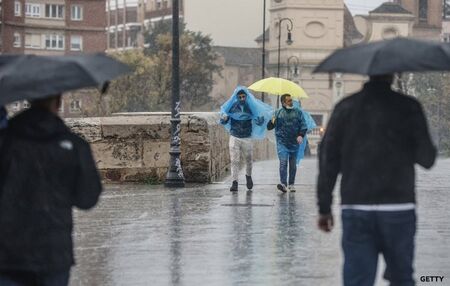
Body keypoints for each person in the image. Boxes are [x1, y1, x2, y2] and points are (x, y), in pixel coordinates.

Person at [317, 75, 436, 286]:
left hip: (356, 207)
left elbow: (328, 159)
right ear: (393, 75)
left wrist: (324, 207)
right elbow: (427, 158)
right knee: (402, 278)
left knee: (357, 280)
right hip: (399, 208)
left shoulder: (346, 107)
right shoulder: (408, 107)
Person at [0, 95, 103, 286]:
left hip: (8, 254)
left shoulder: (5, 141)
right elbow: (87, 199)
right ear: (58, 102)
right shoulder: (75, 145)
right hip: (53, 253)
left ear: (29, 100)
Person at [220, 86, 273, 192]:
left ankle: (248, 176)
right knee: (234, 160)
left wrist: (260, 120)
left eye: (244, 96)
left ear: (246, 97)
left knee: (248, 160)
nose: (242, 99)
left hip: (247, 137)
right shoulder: (232, 107)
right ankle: (234, 182)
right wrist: (224, 119)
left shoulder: (251, 107)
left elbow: (258, 120)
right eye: (240, 97)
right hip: (234, 136)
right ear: (236, 97)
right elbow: (224, 119)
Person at [267, 94, 308, 193]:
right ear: (283, 102)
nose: (291, 102)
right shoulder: (277, 113)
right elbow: (269, 127)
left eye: (291, 100)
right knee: (283, 162)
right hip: (282, 142)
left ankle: (291, 184)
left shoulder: (298, 112)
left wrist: (300, 135)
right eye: (289, 101)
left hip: (294, 143)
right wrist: (272, 120)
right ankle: (283, 184)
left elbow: (303, 125)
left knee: (293, 165)